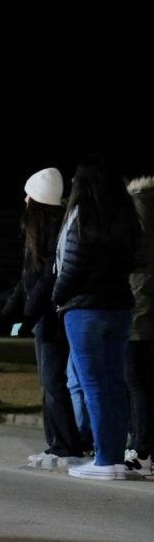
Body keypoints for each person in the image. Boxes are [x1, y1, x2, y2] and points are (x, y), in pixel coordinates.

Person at [53, 155, 142, 480]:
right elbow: (137, 256)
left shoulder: (81, 216)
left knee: (93, 385)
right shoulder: (126, 216)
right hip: (120, 306)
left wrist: (57, 297)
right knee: (115, 384)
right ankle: (115, 458)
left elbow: (72, 265)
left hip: (84, 309)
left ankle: (104, 460)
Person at [2, 168, 85, 464]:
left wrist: (26, 314)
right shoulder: (48, 228)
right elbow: (27, 277)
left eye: (28, 193)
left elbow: (43, 278)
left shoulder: (48, 230)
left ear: (37, 198)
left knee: (52, 381)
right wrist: (13, 309)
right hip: (45, 314)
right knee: (51, 381)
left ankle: (65, 443)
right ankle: (57, 441)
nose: (24, 199)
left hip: (49, 316)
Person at [125, 175, 154, 475]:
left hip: (139, 311)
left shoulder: (137, 206)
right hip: (144, 309)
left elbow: (134, 257)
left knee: (136, 382)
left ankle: (141, 449)